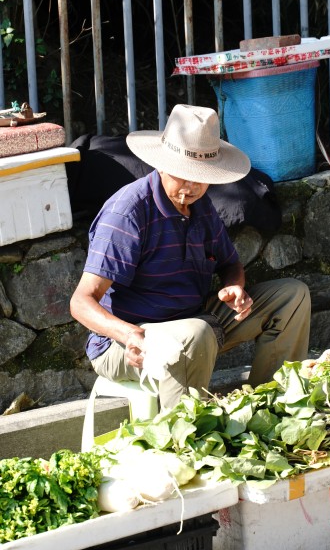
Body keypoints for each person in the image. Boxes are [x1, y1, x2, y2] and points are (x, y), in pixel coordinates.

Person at [70, 104, 311, 408]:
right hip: (126, 343)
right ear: (161, 165)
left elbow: (230, 263)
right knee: (195, 334)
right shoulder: (128, 212)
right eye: (182, 175)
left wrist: (234, 286)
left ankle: (273, 408)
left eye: (200, 177)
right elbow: (80, 302)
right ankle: (187, 439)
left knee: (292, 296)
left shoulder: (201, 206)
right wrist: (130, 334)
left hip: (194, 321)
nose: (191, 186)